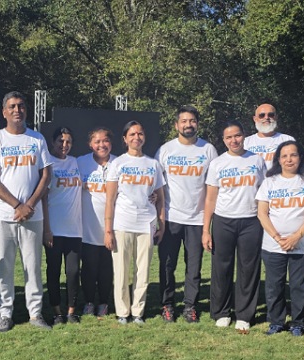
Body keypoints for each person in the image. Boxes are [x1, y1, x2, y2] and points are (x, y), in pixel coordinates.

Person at [0, 91, 53, 332]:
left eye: (21, 106)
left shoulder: (37, 139)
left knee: (32, 266)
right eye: (12, 106)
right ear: (4, 112)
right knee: (4, 266)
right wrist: (17, 205)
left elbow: (46, 175)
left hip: (33, 215)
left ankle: (35, 313)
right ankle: (5, 313)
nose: (17, 110)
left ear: (26, 109)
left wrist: (29, 205)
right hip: (3, 215)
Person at [154, 106, 217, 323]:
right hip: (171, 217)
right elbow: (156, 183)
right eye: (184, 121)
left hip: (197, 219)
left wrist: (207, 225)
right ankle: (167, 305)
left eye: (192, 121)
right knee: (167, 265)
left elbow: (213, 187)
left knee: (194, 267)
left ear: (197, 124)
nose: (188, 124)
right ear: (176, 125)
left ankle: (190, 306)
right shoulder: (165, 150)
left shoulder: (208, 150)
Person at [203, 121, 266, 332]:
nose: (234, 140)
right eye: (229, 137)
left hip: (251, 221)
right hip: (224, 221)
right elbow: (210, 199)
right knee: (221, 268)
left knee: (249, 269)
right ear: (223, 140)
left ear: (244, 136)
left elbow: (264, 191)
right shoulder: (218, 163)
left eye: (237, 135)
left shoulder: (257, 160)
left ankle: (244, 314)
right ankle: (221, 312)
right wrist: (206, 230)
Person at [256, 141, 304, 336]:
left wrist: (296, 236)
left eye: (293, 155)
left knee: (300, 286)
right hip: (273, 244)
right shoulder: (269, 182)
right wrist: (278, 238)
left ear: (300, 157)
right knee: (274, 286)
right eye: (284, 156)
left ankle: (298, 323)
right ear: (278, 159)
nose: (289, 159)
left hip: (303, 244)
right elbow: (262, 213)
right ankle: (276, 321)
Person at [104, 120, 165, 325]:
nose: (136, 137)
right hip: (122, 223)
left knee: (143, 271)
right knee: (121, 271)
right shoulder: (118, 163)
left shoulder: (153, 164)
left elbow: (160, 198)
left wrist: (161, 224)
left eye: (140, 134)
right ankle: (122, 312)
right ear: (125, 139)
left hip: (147, 224)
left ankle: (138, 312)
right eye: (132, 134)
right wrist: (108, 230)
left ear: (144, 137)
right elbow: (110, 200)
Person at [42, 127, 82, 324]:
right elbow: (43, 199)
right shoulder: (47, 163)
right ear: (53, 142)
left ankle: (71, 311)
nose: (64, 145)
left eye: (68, 142)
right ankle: (57, 311)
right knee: (54, 271)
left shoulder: (76, 162)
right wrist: (46, 229)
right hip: (54, 230)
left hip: (74, 230)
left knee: (73, 272)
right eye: (60, 141)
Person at [78, 127, 115, 318]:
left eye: (105, 140)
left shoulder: (119, 163)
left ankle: (104, 302)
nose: (102, 145)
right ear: (90, 144)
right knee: (89, 267)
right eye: (97, 141)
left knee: (106, 268)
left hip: (112, 227)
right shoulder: (80, 163)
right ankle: (89, 302)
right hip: (87, 227)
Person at [243, 103, 294, 171]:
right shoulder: (245, 142)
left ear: (276, 117)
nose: (266, 118)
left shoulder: (287, 140)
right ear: (255, 119)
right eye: (262, 115)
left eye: (271, 115)